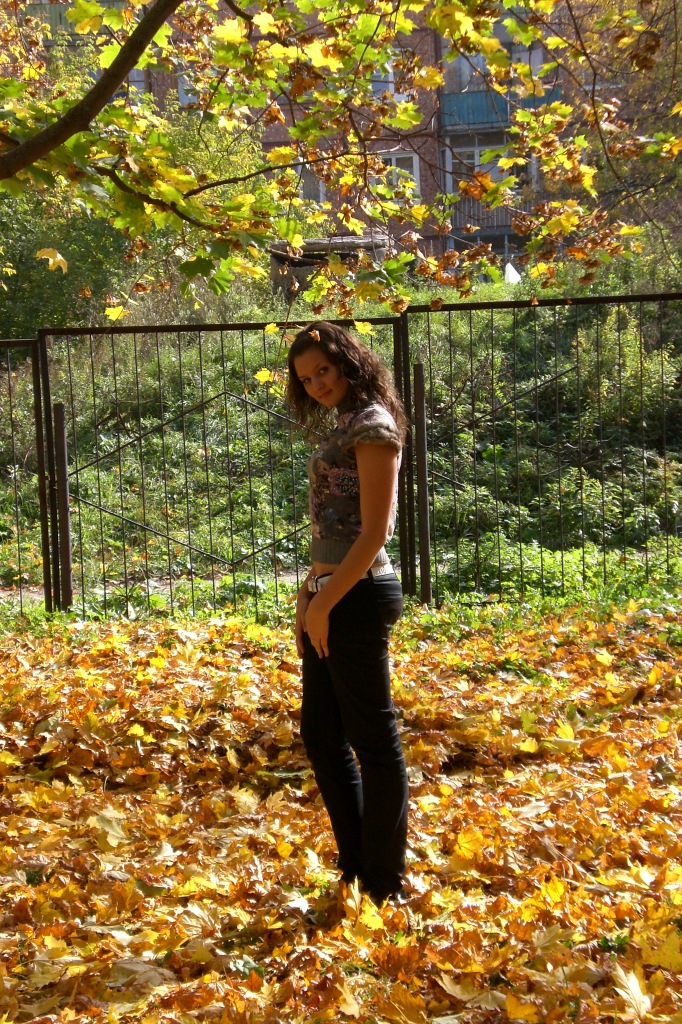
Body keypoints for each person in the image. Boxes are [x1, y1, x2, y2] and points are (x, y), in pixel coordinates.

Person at [286, 321, 409, 905]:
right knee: (321, 734)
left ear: (348, 363)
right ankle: (357, 866)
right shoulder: (345, 422)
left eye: (324, 370)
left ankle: (384, 884)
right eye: (306, 378)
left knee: (373, 742)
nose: (316, 384)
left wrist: (326, 602)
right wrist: (308, 595)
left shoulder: (374, 426)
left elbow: (375, 532)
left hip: (357, 596)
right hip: (331, 593)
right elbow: (332, 530)